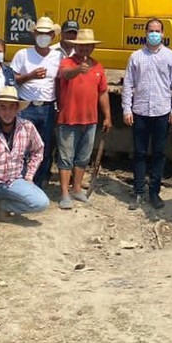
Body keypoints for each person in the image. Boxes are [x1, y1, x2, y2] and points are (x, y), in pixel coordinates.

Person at [0, 85, 50, 232]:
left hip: (14, 180)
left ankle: (3, 206)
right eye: (3, 107)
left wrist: (29, 176)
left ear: (17, 109)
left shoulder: (27, 127)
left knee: (41, 203)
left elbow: (38, 150)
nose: (7, 112)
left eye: (12, 107)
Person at [121, 17, 172, 211]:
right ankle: (138, 191)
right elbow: (128, 84)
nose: (154, 34)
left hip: (161, 112)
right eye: (151, 30)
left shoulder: (171, 57)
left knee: (158, 153)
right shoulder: (136, 57)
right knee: (139, 153)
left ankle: (154, 192)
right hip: (140, 111)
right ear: (145, 33)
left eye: (157, 31)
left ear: (163, 34)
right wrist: (126, 109)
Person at [55, 26, 111, 208]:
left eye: (88, 46)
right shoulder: (67, 62)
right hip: (68, 119)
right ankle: (64, 193)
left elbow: (103, 93)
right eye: (81, 45)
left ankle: (77, 188)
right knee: (66, 158)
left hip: (90, 120)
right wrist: (78, 69)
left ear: (93, 47)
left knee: (83, 157)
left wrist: (107, 116)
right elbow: (65, 74)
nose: (84, 48)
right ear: (75, 46)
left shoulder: (98, 67)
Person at [11, 16, 62, 188]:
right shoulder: (23, 54)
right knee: (22, 147)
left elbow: (60, 82)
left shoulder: (58, 56)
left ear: (52, 36)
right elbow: (12, 79)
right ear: (34, 34)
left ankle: (38, 184)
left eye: (47, 34)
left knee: (44, 148)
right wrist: (30, 76)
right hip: (27, 106)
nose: (43, 36)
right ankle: (20, 183)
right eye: (40, 33)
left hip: (47, 107)